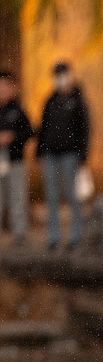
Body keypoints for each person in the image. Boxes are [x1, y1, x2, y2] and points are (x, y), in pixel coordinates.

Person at [37, 61, 90, 250]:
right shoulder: (50, 101)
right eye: (56, 75)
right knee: (51, 196)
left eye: (62, 74)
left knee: (72, 195)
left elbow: (84, 130)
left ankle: (75, 236)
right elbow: (43, 128)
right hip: (50, 155)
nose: (59, 79)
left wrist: (83, 156)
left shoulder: (78, 101)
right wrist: (40, 152)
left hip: (71, 155)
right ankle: (53, 236)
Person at [0, 71, 33, 246]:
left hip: (15, 161)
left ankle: (19, 235)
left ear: (12, 88)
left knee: (18, 198)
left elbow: (29, 132)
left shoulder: (18, 111)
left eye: (5, 86)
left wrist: (12, 137)